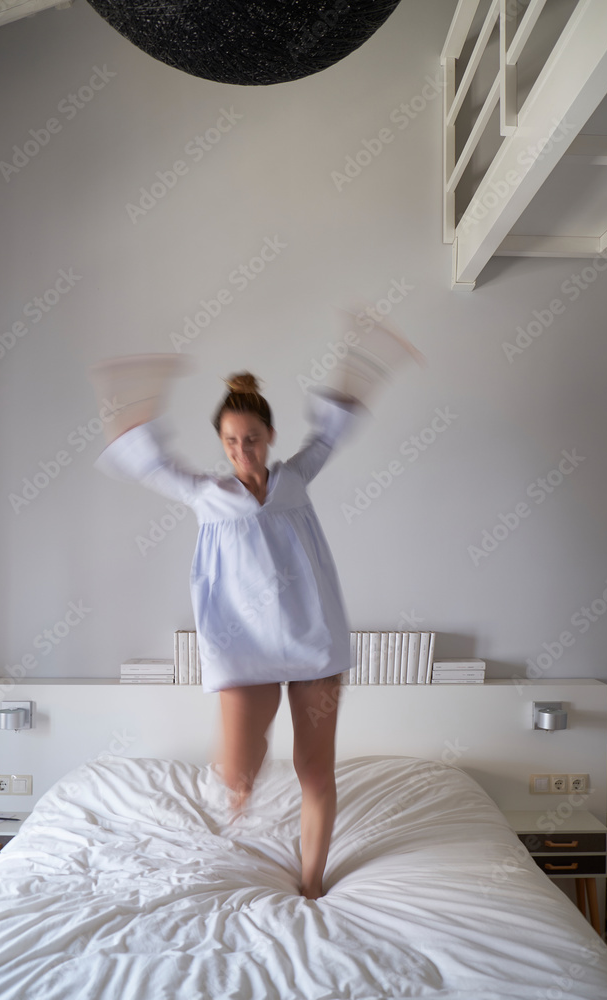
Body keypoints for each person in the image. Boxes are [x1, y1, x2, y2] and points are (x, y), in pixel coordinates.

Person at [89, 312, 424, 900]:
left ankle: (312, 881)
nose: (243, 450)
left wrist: (365, 362)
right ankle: (243, 790)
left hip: (312, 642)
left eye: (253, 439)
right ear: (222, 444)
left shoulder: (296, 478)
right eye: (232, 442)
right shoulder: (207, 496)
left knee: (314, 770)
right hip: (244, 649)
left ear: (269, 438)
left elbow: (331, 433)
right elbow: (148, 464)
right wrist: (133, 401)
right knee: (238, 772)